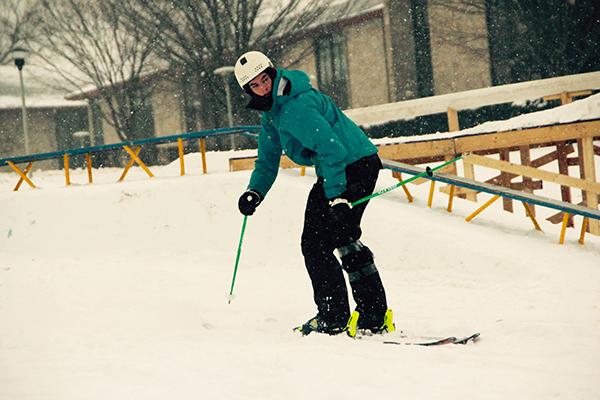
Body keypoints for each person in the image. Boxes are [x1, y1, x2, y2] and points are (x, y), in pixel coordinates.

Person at [234, 51, 393, 337]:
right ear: (248, 91)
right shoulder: (273, 114)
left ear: (272, 73)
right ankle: (372, 315)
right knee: (340, 237)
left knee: (316, 243)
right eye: (254, 86)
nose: (262, 88)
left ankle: (335, 317)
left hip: (352, 166)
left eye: (264, 80)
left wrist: (337, 197)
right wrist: (254, 192)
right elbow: (267, 160)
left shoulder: (295, 107)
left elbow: (332, 149)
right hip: (347, 165)